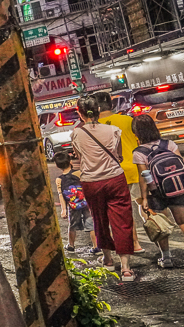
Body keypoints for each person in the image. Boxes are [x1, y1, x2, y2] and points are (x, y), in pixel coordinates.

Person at [71, 95, 135, 281]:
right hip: (115, 179)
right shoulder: (113, 130)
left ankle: (108, 259)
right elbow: (119, 156)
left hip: (91, 182)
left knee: (99, 219)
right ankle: (126, 268)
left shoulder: (76, 133)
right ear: (98, 110)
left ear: (80, 113)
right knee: (122, 221)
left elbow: (79, 157)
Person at [98, 91, 150, 253]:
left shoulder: (95, 127)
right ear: (111, 105)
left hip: (114, 174)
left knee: (123, 212)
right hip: (136, 169)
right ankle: (159, 235)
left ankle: (135, 244)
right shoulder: (128, 120)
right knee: (146, 205)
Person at [131, 114, 182, 269]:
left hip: (156, 193)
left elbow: (144, 176)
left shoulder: (139, 152)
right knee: (182, 221)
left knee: (161, 225)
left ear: (137, 133)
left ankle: (166, 258)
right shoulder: (169, 144)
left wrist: (144, 198)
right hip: (176, 188)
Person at [52, 151, 94, 254]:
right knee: (90, 223)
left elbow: (61, 195)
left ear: (57, 166)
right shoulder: (79, 173)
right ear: (70, 162)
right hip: (85, 203)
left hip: (73, 206)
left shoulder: (59, 179)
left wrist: (63, 210)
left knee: (72, 225)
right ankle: (96, 246)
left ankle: (71, 245)